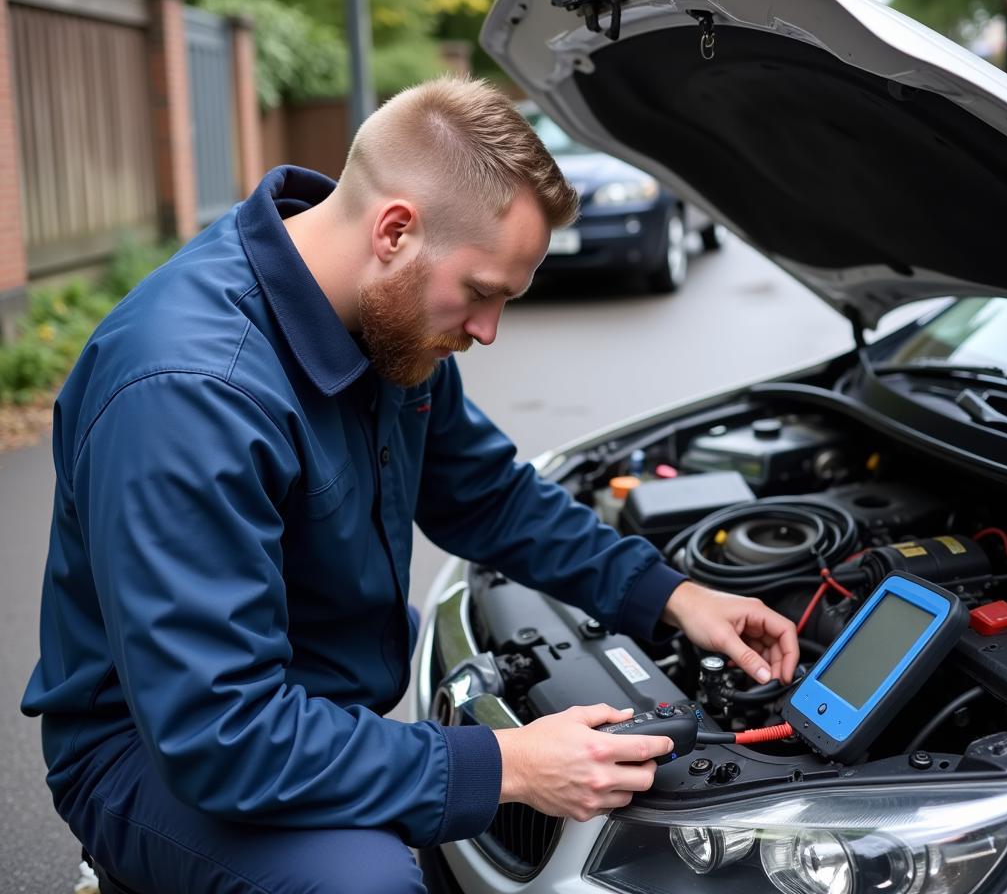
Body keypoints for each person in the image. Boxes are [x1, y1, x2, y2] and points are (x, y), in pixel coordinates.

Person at [22, 77, 797, 894]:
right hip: (155, 754)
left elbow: (487, 494)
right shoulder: (190, 393)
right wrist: (505, 766)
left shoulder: (384, 320)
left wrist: (672, 597)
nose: (488, 331)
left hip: (301, 699)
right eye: (483, 292)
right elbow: (222, 734)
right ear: (395, 230)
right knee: (370, 885)